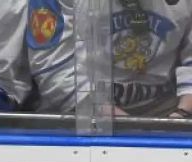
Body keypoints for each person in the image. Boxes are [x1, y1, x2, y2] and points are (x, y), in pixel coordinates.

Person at [26, 0, 192, 117]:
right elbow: (54, 67)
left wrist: (181, 115)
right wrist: (129, 125)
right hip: (78, 114)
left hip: (166, 111)